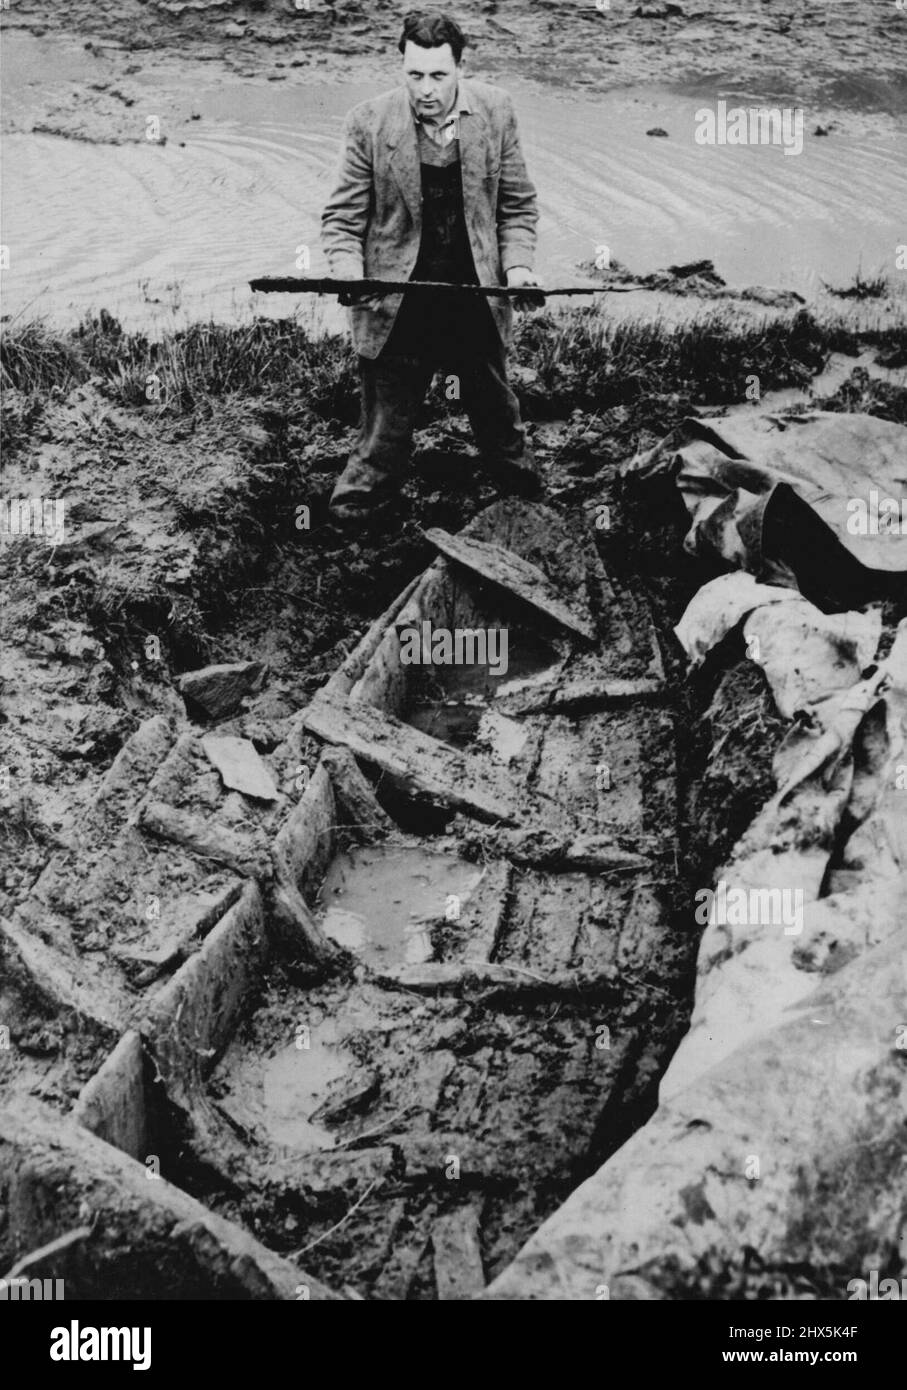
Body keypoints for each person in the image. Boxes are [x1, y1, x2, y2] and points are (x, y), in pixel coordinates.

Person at [321, 9, 543, 522]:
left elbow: (516, 206)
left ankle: (524, 505)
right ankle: (359, 510)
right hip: (399, 297)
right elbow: (342, 217)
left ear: (460, 68)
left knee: (498, 416)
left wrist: (519, 271)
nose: (426, 89)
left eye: (439, 76)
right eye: (414, 75)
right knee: (383, 428)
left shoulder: (497, 112)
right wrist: (348, 271)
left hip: (474, 291)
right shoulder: (368, 123)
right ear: (402, 69)